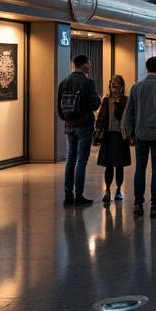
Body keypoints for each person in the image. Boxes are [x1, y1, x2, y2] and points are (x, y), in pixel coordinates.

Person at [124, 56, 156, 218]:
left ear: (146, 68)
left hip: (140, 133)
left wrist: (131, 133)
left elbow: (130, 113)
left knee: (140, 167)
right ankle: (155, 205)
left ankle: (138, 204)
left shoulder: (136, 88)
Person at [57, 53, 101, 206]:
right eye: (89, 63)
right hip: (84, 125)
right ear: (84, 65)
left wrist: (68, 119)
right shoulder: (87, 83)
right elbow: (95, 104)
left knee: (70, 158)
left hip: (69, 125)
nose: (89, 66)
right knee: (82, 159)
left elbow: (59, 107)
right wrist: (98, 100)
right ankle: (79, 194)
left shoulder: (64, 82)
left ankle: (68, 194)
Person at [95, 74, 131, 203]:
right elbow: (101, 118)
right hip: (109, 135)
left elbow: (127, 118)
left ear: (122, 87)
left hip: (121, 136)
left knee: (120, 165)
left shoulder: (125, 100)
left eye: (117, 86)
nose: (114, 89)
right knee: (108, 165)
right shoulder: (106, 100)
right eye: (112, 86)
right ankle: (107, 190)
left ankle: (119, 189)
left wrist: (131, 136)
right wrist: (98, 134)